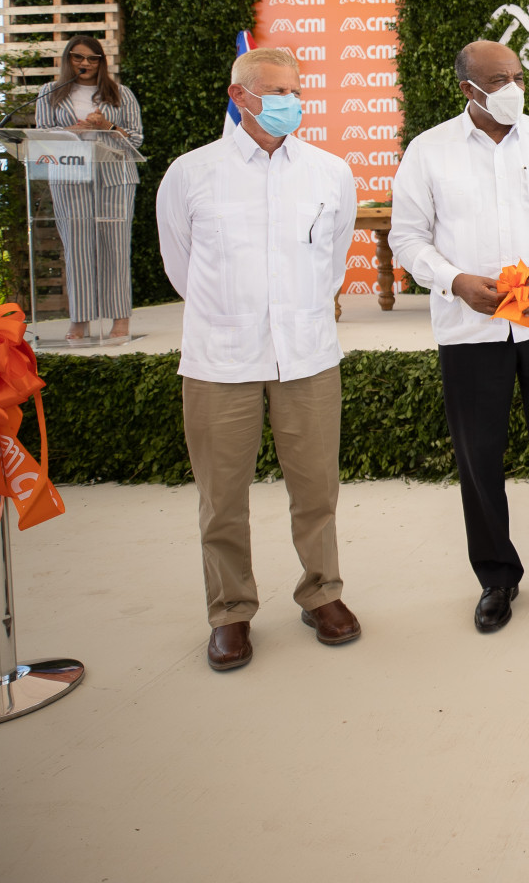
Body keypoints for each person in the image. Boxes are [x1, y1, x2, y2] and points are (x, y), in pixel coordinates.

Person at [392, 40, 529, 632]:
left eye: (518, 76)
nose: (514, 88)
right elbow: (407, 238)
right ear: (468, 89)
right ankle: (496, 578)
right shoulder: (428, 150)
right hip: (470, 329)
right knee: (479, 458)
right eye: (498, 80)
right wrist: (454, 281)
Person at [155, 47, 361, 671]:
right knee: (221, 497)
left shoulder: (330, 173)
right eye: (275, 92)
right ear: (239, 96)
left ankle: (322, 593)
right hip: (221, 358)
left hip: (308, 354)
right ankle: (230, 611)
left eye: (295, 91)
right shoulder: (191, 173)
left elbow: (332, 263)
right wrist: (236, 313)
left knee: (316, 488)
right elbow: (180, 267)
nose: (289, 103)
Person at [33, 34, 142, 342]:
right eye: (78, 57)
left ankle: (120, 318)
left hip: (115, 176)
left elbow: (136, 139)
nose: (86, 63)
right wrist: (73, 130)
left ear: (101, 62)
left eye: (93, 58)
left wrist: (107, 126)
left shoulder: (121, 93)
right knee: (77, 248)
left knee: (115, 247)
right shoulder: (48, 93)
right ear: (68, 59)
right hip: (69, 175)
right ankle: (79, 320)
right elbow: (41, 136)